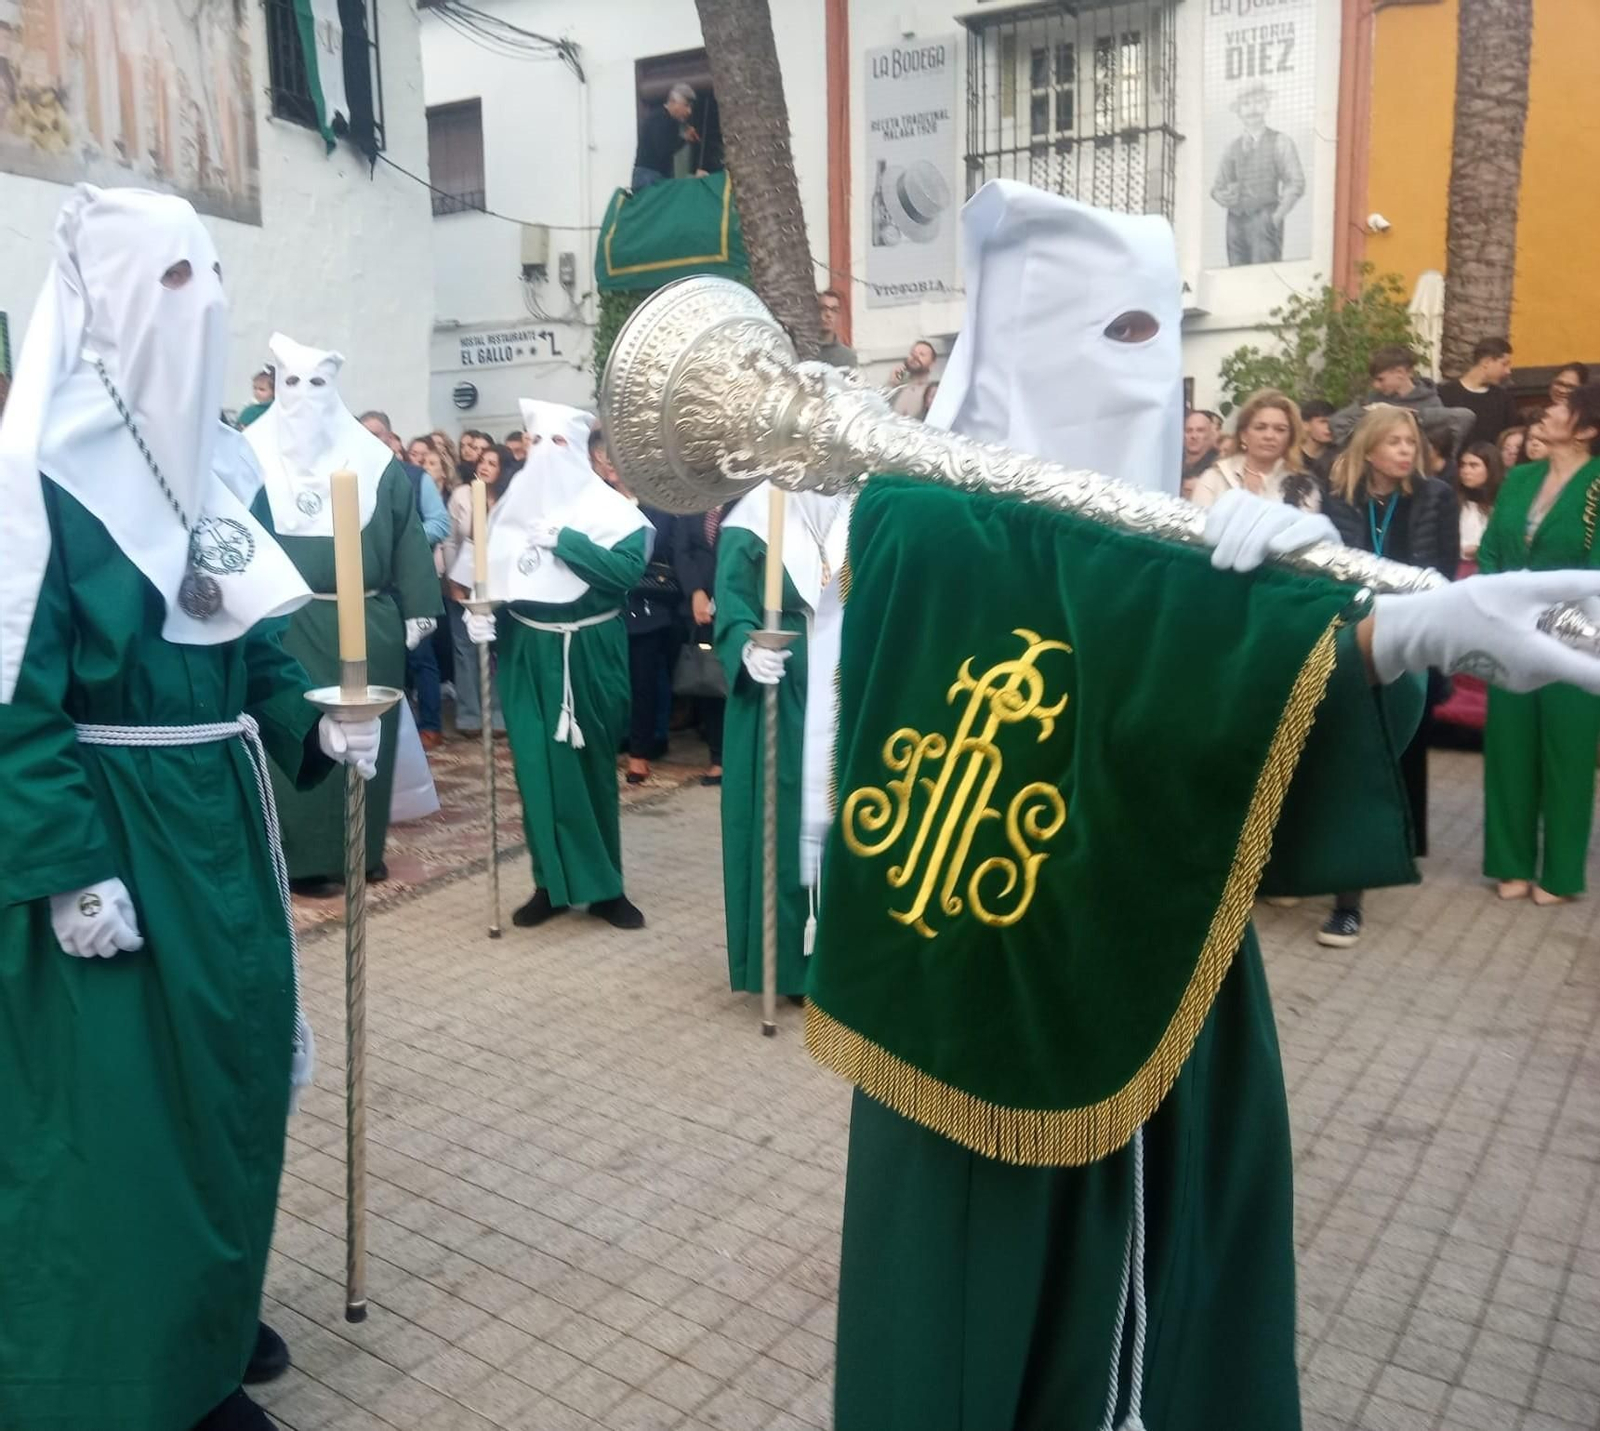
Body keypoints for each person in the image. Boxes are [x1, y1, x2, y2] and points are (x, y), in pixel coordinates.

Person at [816, 177, 1600, 1431]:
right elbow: (1077, 631)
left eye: (1165, 340)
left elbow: (1185, 727)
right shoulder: (922, 517)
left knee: (1184, 1302)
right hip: (983, 995)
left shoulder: (1168, 534)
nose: (1151, 381)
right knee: (978, 1330)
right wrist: (1339, 630)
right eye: (1117, 335)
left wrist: (1334, 619)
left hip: (1169, 957)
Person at [0, 185, 380, 1431]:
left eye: (212, 270)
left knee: (227, 1076)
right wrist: (67, 865)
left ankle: (207, 1306)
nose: (207, 299)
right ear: (105, 297)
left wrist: (314, 723)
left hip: (221, 815)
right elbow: (14, 698)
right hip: (113, 832)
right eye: (173, 277)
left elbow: (250, 642)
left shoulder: (217, 463)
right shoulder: (41, 478)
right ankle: (137, 1371)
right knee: (124, 1109)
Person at [246, 335, 441, 896]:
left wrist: (420, 606)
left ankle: (361, 850)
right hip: (281, 626)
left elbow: (406, 534)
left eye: (317, 384)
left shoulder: (377, 461)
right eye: (291, 383)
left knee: (361, 743)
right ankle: (298, 858)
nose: (303, 396)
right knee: (293, 737)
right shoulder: (246, 455)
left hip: (367, 620)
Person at [460, 400, 652, 929]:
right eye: (537, 442)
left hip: (591, 648)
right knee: (536, 768)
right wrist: (484, 616)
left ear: (582, 452)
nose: (546, 454)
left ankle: (607, 887)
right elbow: (484, 576)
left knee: (591, 767)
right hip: (528, 649)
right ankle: (551, 883)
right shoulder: (509, 512)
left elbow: (626, 572)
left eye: (559, 444)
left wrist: (569, 543)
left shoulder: (615, 514)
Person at [1318, 406, 1460, 947]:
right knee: (1345, 759)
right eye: (1395, 442)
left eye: (1411, 442)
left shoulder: (1435, 497)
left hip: (1408, 641)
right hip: (1350, 639)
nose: (1406, 450)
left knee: (1383, 759)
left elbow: (1442, 573)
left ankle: (1348, 901)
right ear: (1371, 448)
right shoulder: (1339, 497)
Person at [714, 481, 852, 1002]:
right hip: (782, 688)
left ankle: (843, 952)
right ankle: (788, 963)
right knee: (781, 814)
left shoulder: (860, 511)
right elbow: (732, 604)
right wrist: (748, 650)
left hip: (847, 686)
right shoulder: (751, 521)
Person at [1479, 382, 1600, 906]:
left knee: (1569, 755)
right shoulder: (1522, 477)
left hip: (1574, 640)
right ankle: (1510, 862)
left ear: (1587, 428)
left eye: (1559, 407)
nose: (1547, 411)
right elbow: (1489, 551)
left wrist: (1566, 622)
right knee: (1508, 749)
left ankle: (1560, 873)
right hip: (1510, 634)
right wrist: (1494, 606)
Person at [595, 427, 682, 784]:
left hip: (648, 605)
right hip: (609, 605)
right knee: (612, 681)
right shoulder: (598, 503)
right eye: (605, 459)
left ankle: (640, 753)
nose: (609, 465)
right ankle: (615, 739)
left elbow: (660, 549)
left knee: (644, 681)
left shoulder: (657, 505)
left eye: (617, 460)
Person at [445, 443, 514, 738]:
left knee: (497, 650)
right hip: (463, 575)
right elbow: (450, 540)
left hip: (500, 580)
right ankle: (470, 715)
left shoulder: (510, 500)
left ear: (504, 471)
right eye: (483, 461)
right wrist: (452, 580)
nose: (485, 467)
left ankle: (497, 714)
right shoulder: (462, 495)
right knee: (465, 649)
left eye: (493, 463)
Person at [1209, 81, 1306, 266]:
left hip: (1264, 218)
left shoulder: (1280, 141)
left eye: (1258, 102)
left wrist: (1276, 217)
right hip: (1235, 223)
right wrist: (1223, 196)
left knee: (1265, 277)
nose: (1252, 109)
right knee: (1236, 280)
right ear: (1238, 111)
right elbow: (1217, 186)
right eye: (1246, 104)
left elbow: (1296, 182)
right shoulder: (1232, 147)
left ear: (1266, 105)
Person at [1330, 345, 1476, 457]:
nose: (1376, 385)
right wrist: (1376, 411)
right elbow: (1337, 423)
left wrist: (1413, 417)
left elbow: (1464, 419)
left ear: (1400, 373)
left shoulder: (1430, 402)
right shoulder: (1373, 399)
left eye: (1381, 379)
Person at [1189, 388, 1319, 511]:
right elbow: (1198, 530)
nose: (1269, 436)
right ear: (1243, 435)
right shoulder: (1215, 477)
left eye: (1280, 429)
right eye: (1260, 427)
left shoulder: (1303, 486)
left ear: (1290, 437)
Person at [673, 501, 728, 785]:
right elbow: (682, 552)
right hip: (698, 609)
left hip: (735, 603)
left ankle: (739, 756)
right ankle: (717, 759)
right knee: (709, 680)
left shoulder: (743, 503)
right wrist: (696, 592)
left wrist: (723, 597)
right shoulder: (693, 507)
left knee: (737, 683)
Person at [1439, 337, 1518, 449]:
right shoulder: (1445, 394)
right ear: (1487, 362)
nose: (1508, 371)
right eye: (1504, 364)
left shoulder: (1504, 399)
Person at [633, 82, 698, 189]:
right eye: (686, 105)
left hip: (656, 175)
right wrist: (684, 138)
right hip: (648, 175)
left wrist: (684, 139)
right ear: (673, 102)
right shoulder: (659, 118)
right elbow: (664, 149)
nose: (689, 111)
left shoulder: (672, 122)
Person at [1455, 441, 1504, 563]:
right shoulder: (1454, 500)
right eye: (1463, 465)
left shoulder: (1502, 503)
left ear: (1490, 468)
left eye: (1474, 465)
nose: (1465, 471)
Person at [888, 339, 938, 418]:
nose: (915, 357)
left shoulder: (934, 391)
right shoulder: (897, 388)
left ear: (932, 362)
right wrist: (891, 385)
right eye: (913, 353)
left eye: (922, 354)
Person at [1180, 408, 1221, 495]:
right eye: (1188, 431)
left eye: (1200, 430)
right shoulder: (1174, 464)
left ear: (1211, 435)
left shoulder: (1219, 466)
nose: (1194, 436)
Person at [818, 288, 858, 368]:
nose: (828, 314)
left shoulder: (847, 357)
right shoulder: (802, 350)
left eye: (834, 310)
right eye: (823, 309)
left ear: (838, 315)